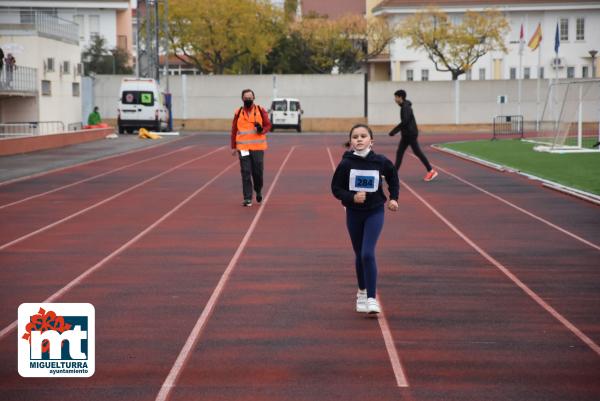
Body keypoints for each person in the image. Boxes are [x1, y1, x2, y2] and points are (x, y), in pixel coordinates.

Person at [331, 124, 399, 315]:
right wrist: (351, 197)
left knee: (368, 253)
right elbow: (336, 188)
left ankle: (371, 297)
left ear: (371, 140)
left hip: (375, 212)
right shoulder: (346, 164)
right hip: (354, 213)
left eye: (363, 136)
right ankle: (361, 291)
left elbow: (393, 178)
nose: (359, 139)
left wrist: (394, 198)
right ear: (351, 141)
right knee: (359, 253)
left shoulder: (380, 161)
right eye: (355, 137)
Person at [231, 89, 272, 207]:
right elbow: (234, 130)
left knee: (257, 172)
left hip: (258, 147)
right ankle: (247, 198)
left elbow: (268, 125)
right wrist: (233, 146)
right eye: (246, 98)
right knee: (245, 171)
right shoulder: (238, 112)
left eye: (250, 97)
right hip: (243, 148)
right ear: (242, 99)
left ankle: (258, 190)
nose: (248, 99)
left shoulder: (260, 110)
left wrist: (261, 130)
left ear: (254, 98)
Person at [388, 89, 438, 182]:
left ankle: (431, 171)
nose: (394, 99)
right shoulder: (404, 106)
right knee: (400, 152)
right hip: (407, 134)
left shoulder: (406, 107)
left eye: (395, 97)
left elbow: (405, 121)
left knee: (417, 152)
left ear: (400, 97)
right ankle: (394, 174)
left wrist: (394, 131)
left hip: (410, 134)